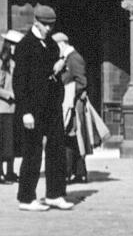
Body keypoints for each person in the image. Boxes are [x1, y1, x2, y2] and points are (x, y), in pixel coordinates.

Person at [12, 4, 74, 212]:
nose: (49, 28)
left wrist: (59, 67)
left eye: (52, 25)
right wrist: (26, 111)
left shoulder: (51, 45)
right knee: (32, 152)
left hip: (52, 106)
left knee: (56, 149)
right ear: (36, 21)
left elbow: (51, 73)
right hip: (33, 108)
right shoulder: (25, 46)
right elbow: (19, 82)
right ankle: (26, 198)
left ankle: (55, 194)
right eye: (46, 24)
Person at [0, 29, 23, 184]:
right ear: (7, 45)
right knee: (0, 143)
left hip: (14, 109)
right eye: (13, 44)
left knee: (11, 142)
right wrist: (10, 95)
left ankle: (10, 172)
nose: (15, 47)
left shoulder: (16, 62)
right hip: (3, 109)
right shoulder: (0, 63)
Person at [52, 32, 88, 183]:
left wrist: (67, 91)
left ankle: (67, 173)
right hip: (70, 102)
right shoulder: (67, 58)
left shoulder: (74, 58)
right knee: (71, 138)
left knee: (68, 137)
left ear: (62, 44)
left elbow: (82, 82)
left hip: (72, 104)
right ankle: (79, 172)